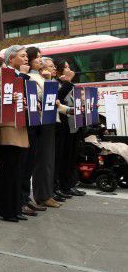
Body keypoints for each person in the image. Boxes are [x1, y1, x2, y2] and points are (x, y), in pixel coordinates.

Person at [0, 55, 28, 223]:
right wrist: (5, 78)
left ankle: (16, 208)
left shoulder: (8, 83)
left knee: (17, 172)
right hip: (4, 135)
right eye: (2, 68)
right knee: (7, 172)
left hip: (17, 130)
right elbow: (4, 94)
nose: (6, 70)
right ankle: (5, 210)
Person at [25, 47, 60, 211]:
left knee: (48, 159)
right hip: (40, 120)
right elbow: (39, 97)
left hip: (49, 119)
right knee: (43, 160)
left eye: (41, 57)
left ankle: (47, 193)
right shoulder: (31, 77)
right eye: (37, 57)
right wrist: (48, 80)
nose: (40, 60)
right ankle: (43, 195)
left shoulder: (40, 76)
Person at [53, 59, 86, 197]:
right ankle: (63, 186)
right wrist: (67, 81)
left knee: (72, 156)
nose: (69, 70)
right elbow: (58, 100)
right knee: (64, 157)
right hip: (63, 124)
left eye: (69, 67)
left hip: (74, 124)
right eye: (65, 67)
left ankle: (70, 184)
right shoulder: (57, 84)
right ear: (58, 70)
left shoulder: (68, 84)